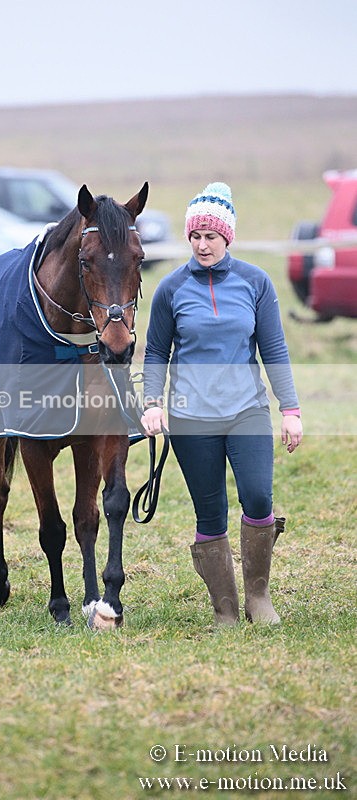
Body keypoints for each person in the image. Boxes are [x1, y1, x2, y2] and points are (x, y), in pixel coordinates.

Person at [141, 182, 303, 626]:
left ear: (226, 236)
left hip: (247, 410)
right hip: (191, 417)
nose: (202, 245)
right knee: (210, 512)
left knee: (258, 496)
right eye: (195, 236)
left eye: (210, 236)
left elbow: (274, 349)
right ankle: (225, 610)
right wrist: (152, 402)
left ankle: (259, 597)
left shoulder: (255, 282)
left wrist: (290, 410)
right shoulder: (171, 289)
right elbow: (155, 352)